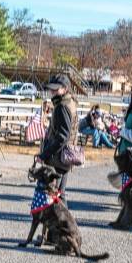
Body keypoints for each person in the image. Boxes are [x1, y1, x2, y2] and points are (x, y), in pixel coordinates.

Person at [37, 74, 78, 206]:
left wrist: (44, 154)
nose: (52, 92)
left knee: (54, 196)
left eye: (56, 89)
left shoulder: (62, 106)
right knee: (59, 196)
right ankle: (66, 225)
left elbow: (62, 137)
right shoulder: (69, 102)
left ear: (65, 89)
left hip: (58, 158)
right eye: (51, 89)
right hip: (64, 156)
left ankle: (63, 226)